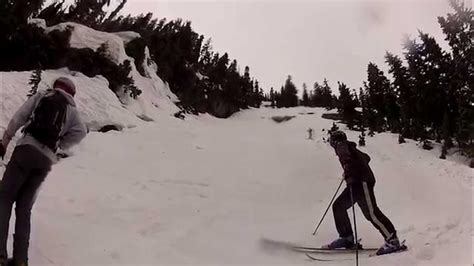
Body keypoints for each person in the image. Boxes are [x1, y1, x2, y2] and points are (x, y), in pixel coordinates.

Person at [0, 77, 87, 266]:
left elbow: (19, 117)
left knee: (4, 198)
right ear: (71, 93)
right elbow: (81, 132)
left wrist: (5, 141)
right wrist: (58, 145)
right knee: (24, 209)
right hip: (45, 160)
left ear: (56, 87)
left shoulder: (42, 96)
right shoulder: (72, 112)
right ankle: (21, 261)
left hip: (25, 150)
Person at [325, 130, 403, 255]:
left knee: (371, 213)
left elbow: (350, 160)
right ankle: (346, 238)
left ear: (334, 141)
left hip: (361, 182)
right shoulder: (350, 148)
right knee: (339, 206)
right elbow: (366, 158)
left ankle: (392, 240)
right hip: (357, 182)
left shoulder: (342, 146)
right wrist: (350, 171)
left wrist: (349, 170)